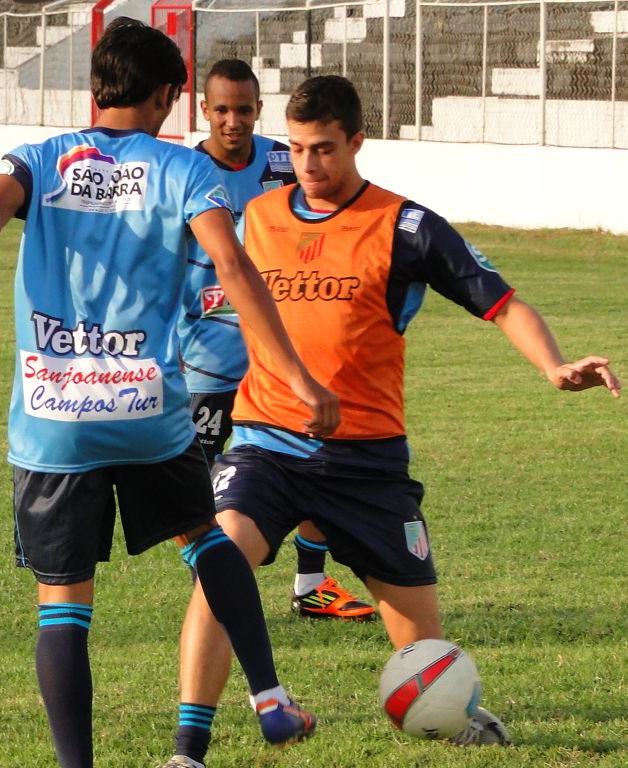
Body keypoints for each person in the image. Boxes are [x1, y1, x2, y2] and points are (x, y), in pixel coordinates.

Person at [162, 74, 622, 767]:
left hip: (369, 463)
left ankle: (452, 716)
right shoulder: (256, 218)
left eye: (325, 150)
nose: (310, 166)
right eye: (298, 149)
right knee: (219, 566)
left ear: (357, 142)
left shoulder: (405, 227)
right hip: (266, 444)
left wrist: (554, 366)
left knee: (424, 650)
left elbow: (500, 301)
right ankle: (187, 751)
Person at [0, 18, 339, 768]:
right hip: (148, 410)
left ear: (95, 88)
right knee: (206, 539)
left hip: (53, 416)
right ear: (168, 96)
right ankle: (268, 697)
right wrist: (290, 371)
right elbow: (232, 265)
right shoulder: (186, 172)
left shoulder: (41, 158)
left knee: (64, 605)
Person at [178, 58, 374, 623]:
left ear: (258, 110)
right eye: (221, 110)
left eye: (243, 109)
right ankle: (215, 589)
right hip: (206, 353)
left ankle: (310, 584)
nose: (233, 121)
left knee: (317, 460)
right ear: (204, 111)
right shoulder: (183, 170)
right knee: (200, 487)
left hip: (284, 352)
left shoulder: (287, 160)